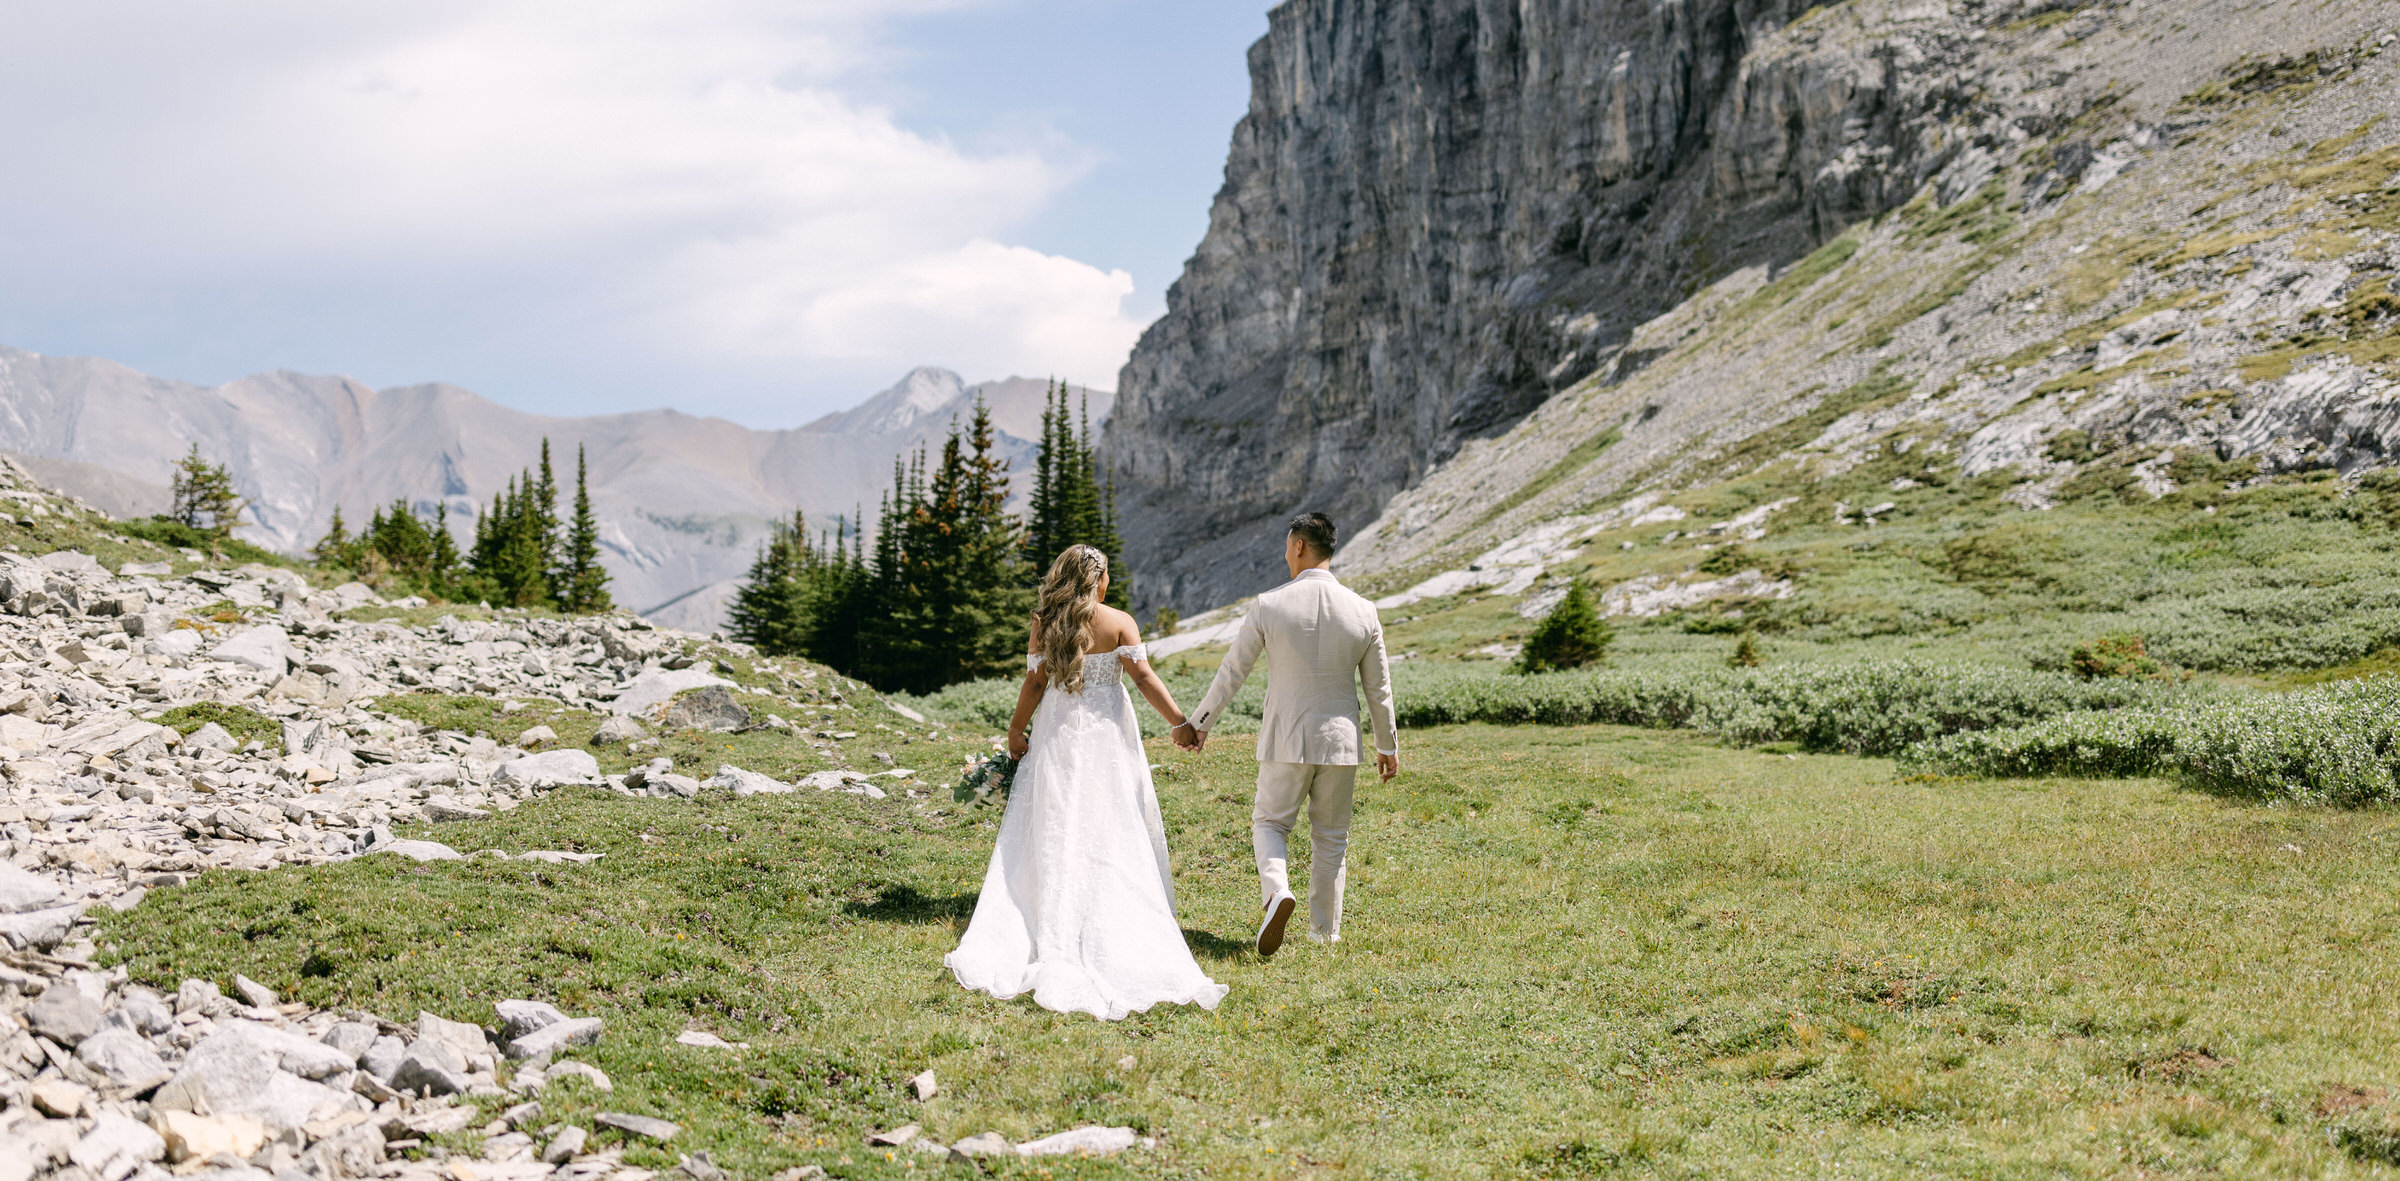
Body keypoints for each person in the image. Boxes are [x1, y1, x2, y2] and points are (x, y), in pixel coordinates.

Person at [945, 544, 1229, 1020]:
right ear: (1098, 580)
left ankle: (1046, 913)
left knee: (1055, 823)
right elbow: (1142, 678)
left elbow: (1035, 685)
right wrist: (1181, 723)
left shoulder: (1045, 623)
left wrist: (1017, 730)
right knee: (1111, 821)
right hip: (1107, 740)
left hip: (1057, 734)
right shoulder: (1119, 622)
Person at [1175, 512, 1399, 957]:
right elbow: (1379, 687)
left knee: (1270, 822)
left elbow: (1233, 671)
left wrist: (1199, 723)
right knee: (1332, 836)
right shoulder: (1363, 610)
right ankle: (1324, 934)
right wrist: (1387, 745)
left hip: (1286, 736)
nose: (1285, 554)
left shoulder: (1269, 604)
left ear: (1299, 546)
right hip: (1341, 740)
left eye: (1286, 546)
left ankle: (1277, 892)